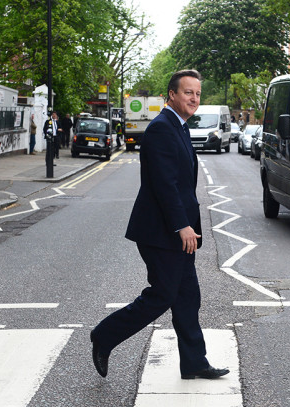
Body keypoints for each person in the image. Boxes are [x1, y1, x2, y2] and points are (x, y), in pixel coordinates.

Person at [90, 69, 229, 381]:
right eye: (188, 93)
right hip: (161, 232)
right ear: (172, 95)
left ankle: (194, 362)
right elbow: (165, 184)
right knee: (162, 295)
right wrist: (181, 225)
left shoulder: (177, 126)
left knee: (188, 297)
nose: (194, 99)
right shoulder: (162, 128)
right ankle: (104, 335)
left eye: (197, 93)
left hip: (178, 232)